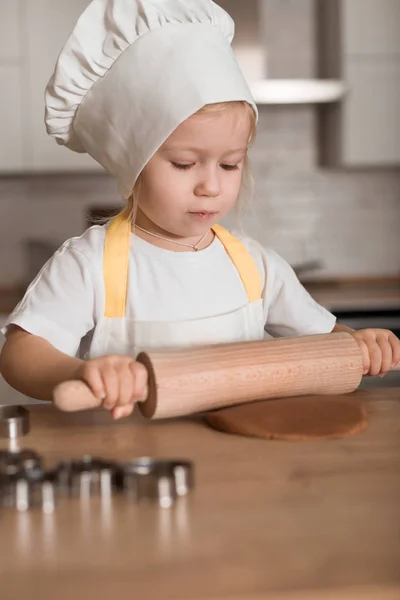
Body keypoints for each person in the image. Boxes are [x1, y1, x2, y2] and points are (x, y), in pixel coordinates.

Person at [0, 0, 399, 420]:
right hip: (135, 471)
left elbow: (325, 339)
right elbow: (21, 354)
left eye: (230, 164)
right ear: (132, 165)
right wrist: (84, 372)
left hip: (242, 467)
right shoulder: (88, 266)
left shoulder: (255, 266)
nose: (211, 185)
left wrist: (359, 343)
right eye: (184, 164)